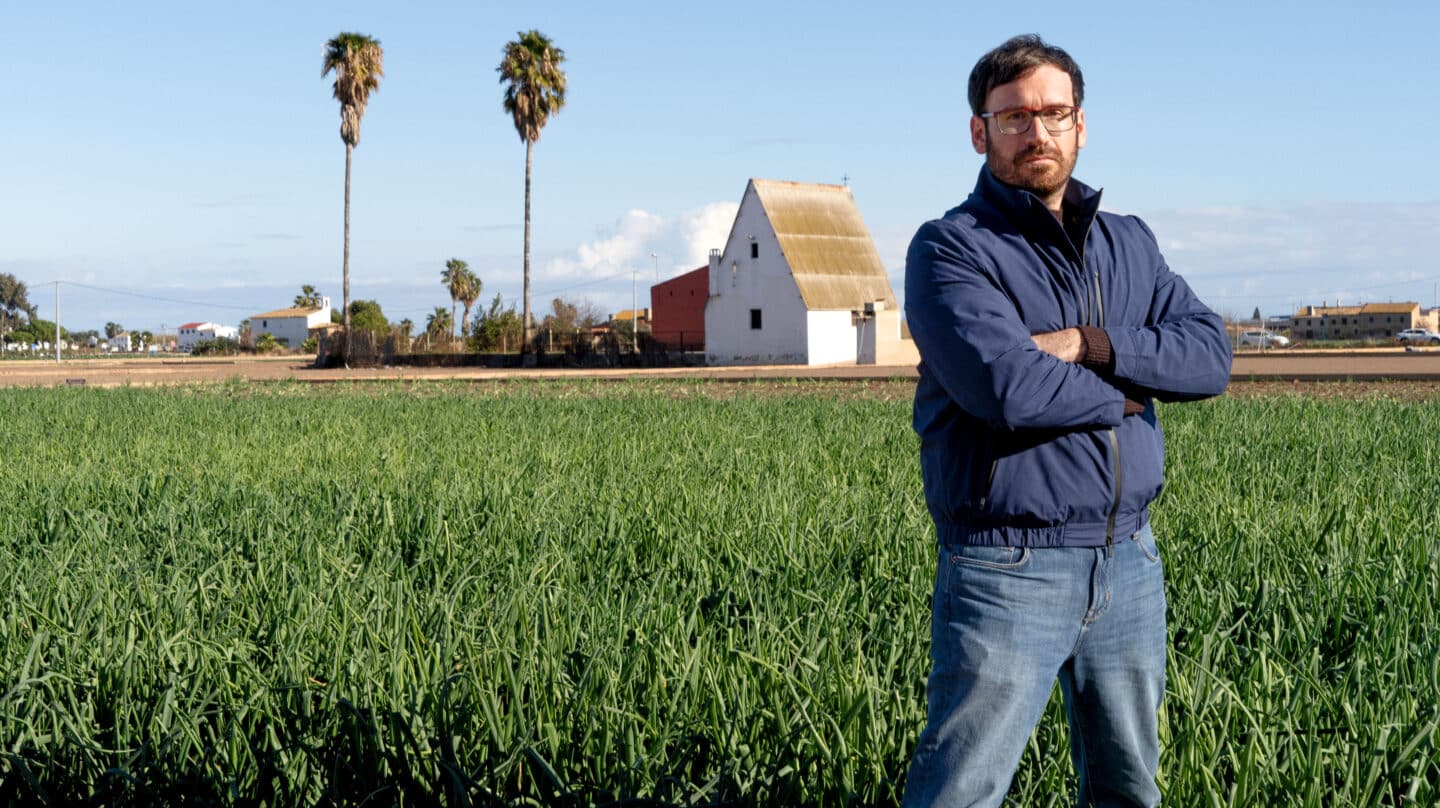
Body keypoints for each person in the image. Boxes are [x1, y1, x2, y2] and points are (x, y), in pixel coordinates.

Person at [901, 35, 1232, 807]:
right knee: (962, 789)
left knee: (1128, 789)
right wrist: (1128, 392)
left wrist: (1090, 345)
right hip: (1008, 565)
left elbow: (1209, 357)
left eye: (1054, 113)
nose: (1037, 132)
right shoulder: (952, 249)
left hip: (1129, 560)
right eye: (1014, 117)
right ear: (980, 132)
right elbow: (1003, 387)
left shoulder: (1131, 244)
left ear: (1081, 126)